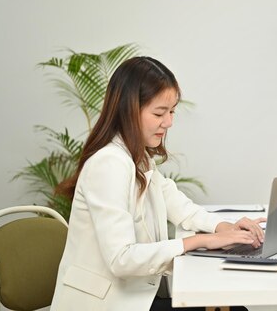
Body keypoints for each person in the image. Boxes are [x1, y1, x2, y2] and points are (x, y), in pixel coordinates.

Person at [50, 56, 264, 311]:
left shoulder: (137, 158)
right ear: (129, 110)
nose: (169, 122)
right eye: (160, 113)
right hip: (107, 303)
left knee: (233, 307)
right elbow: (122, 259)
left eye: (172, 111)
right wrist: (199, 241)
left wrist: (223, 226)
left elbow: (179, 206)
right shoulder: (108, 164)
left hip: (136, 295)